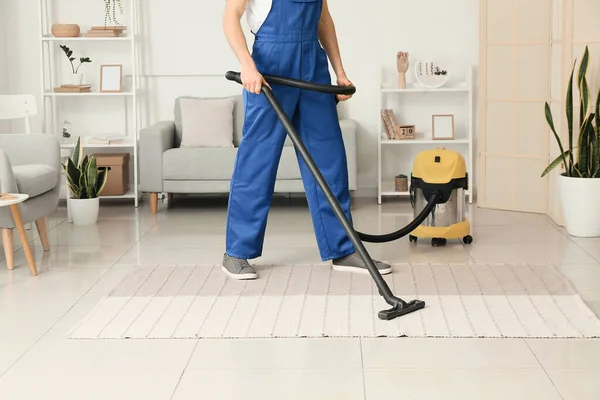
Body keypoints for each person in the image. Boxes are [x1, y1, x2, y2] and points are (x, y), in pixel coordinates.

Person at [221, 0, 391, 279]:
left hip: (313, 63)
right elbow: (231, 17)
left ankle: (343, 249)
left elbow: (324, 21)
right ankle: (236, 252)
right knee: (258, 162)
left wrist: (340, 71)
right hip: (270, 68)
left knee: (329, 158)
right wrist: (247, 65)